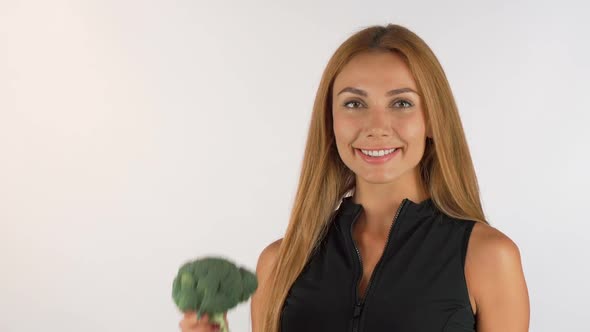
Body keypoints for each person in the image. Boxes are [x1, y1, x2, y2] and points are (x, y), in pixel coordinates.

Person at [179, 23, 530, 332]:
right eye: (354, 104)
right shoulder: (280, 263)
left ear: (433, 120)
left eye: (402, 103)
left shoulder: (487, 257)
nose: (376, 127)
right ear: (330, 122)